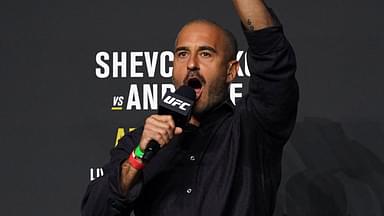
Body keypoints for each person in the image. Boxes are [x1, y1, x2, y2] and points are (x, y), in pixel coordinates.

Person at [81, 0, 298, 215]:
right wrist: (139, 157)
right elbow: (95, 211)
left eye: (206, 53)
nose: (191, 64)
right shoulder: (139, 142)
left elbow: (272, 55)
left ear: (231, 72)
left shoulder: (252, 130)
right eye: (182, 54)